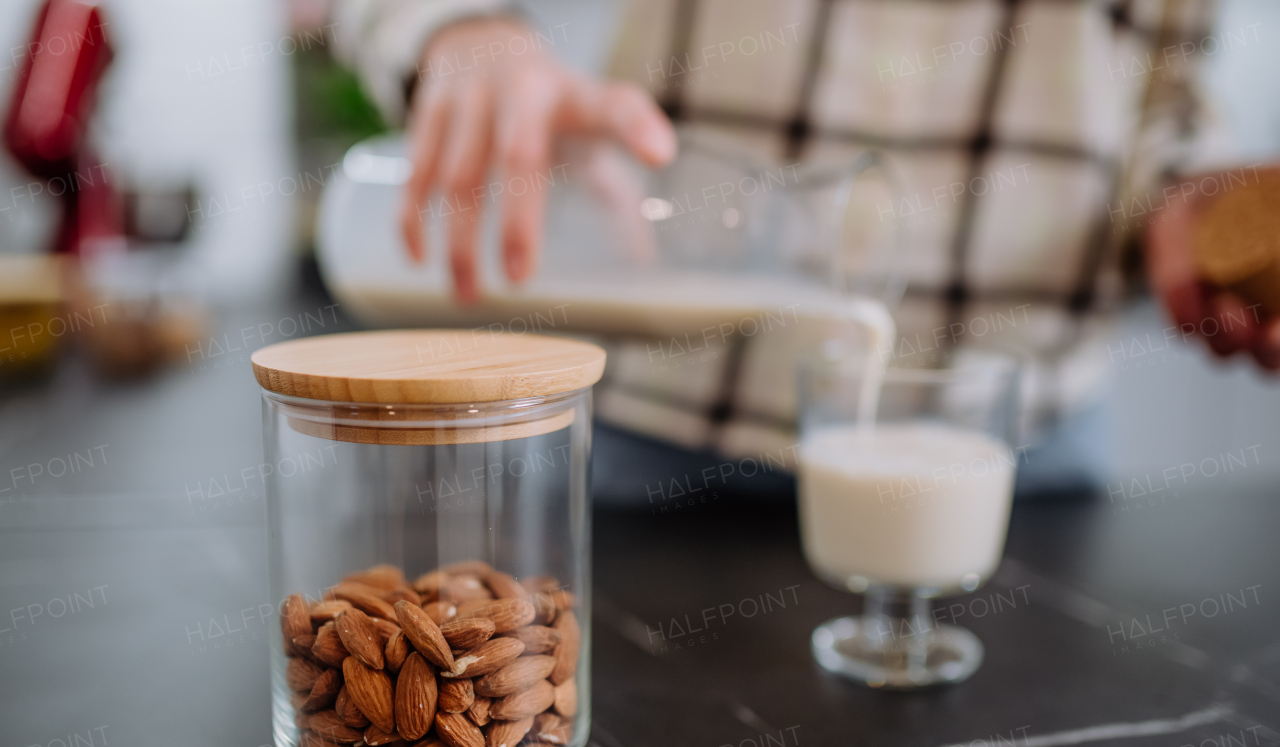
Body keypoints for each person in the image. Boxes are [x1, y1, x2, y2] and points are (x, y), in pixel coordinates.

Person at [330, 0, 1276, 496]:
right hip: (657, 435)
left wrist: (1192, 202)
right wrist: (462, 26)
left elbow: (1164, 103)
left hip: (1019, 442)